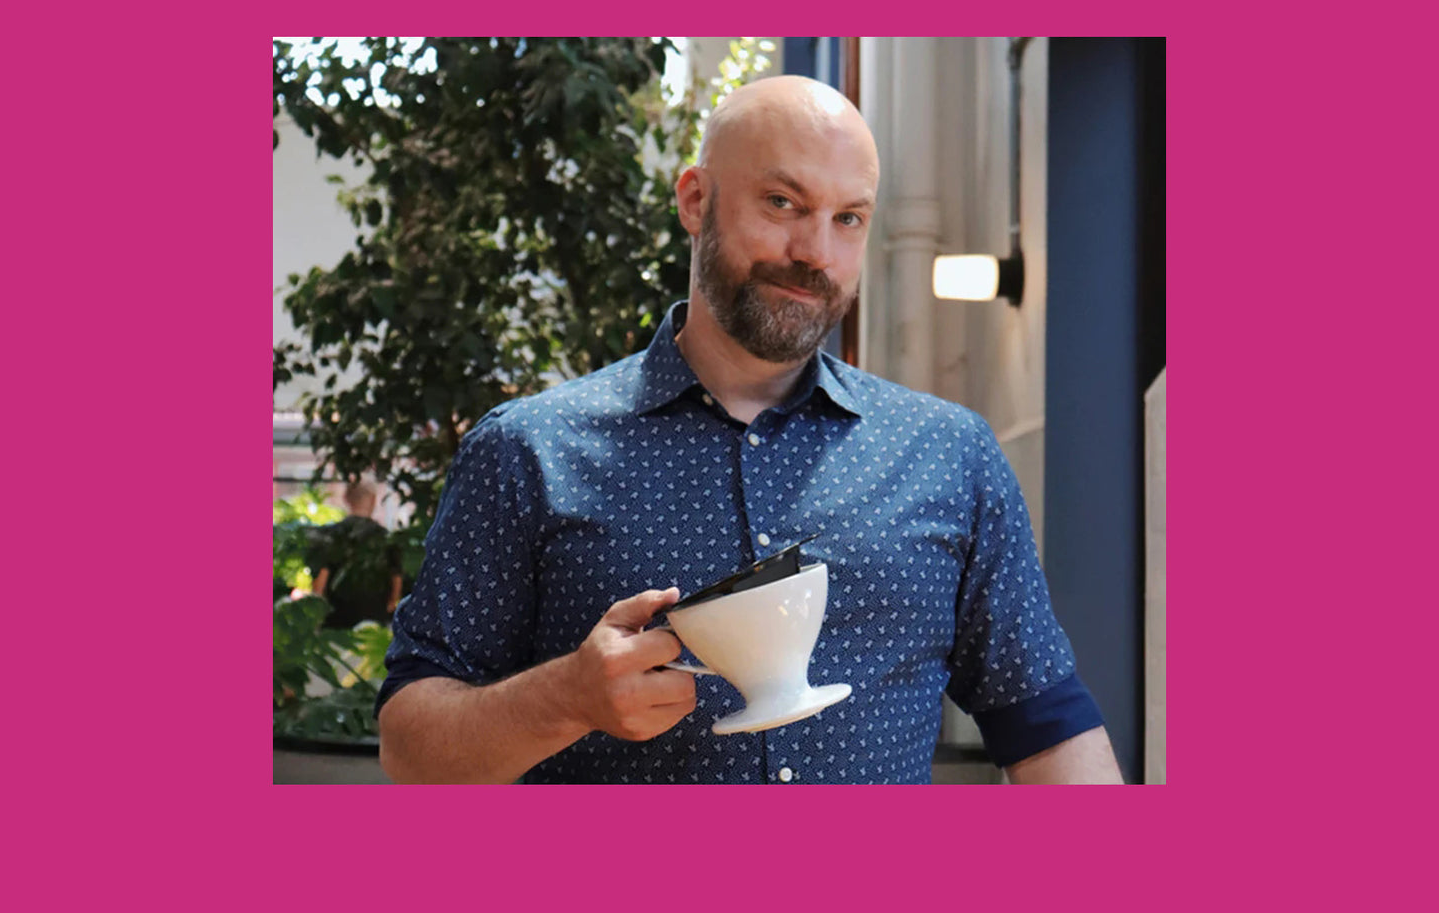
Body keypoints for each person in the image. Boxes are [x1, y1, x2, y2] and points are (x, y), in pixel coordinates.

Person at [377, 75, 1123, 784]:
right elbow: (411, 754)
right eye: (782, 202)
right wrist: (565, 698)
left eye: (848, 218)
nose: (815, 252)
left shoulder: (949, 456)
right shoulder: (527, 451)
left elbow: (1047, 728)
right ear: (695, 200)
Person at [309, 482, 404, 628]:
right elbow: (396, 575)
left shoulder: (332, 535)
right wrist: (392, 603)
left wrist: (316, 612)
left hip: (337, 618)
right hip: (376, 616)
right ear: (373, 501)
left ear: (346, 499)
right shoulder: (386, 538)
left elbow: (321, 576)